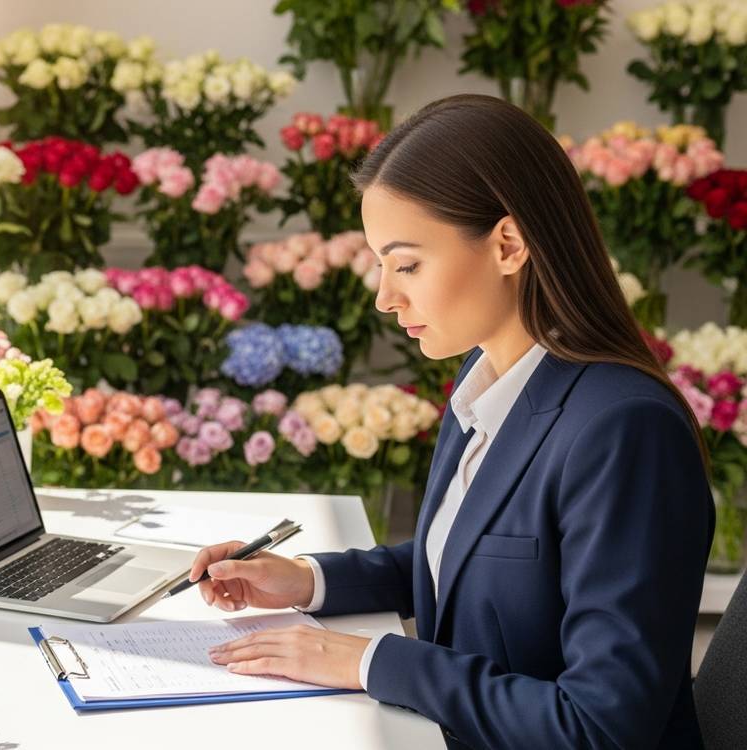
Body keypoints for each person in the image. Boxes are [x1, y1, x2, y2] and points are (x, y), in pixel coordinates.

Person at [188, 94, 714, 749]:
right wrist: (308, 579)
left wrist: (367, 662)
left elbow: (600, 726)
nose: (385, 296)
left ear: (508, 244)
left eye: (407, 263)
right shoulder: (484, 375)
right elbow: (474, 556)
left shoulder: (624, 431)